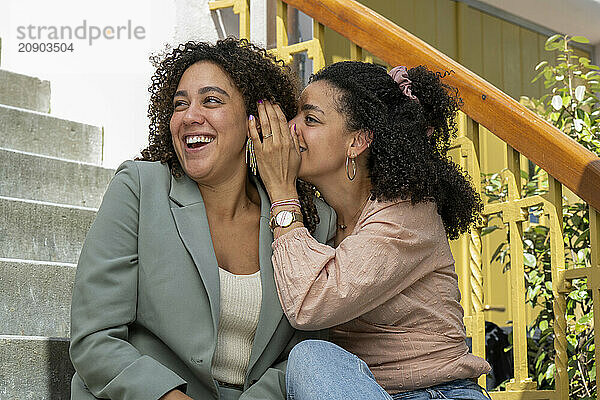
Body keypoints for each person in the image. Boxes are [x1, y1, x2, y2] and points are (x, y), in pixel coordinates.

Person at [69, 38, 336, 400]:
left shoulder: (311, 224)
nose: (190, 116)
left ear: (255, 124)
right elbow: (95, 338)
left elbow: (304, 356)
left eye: (211, 101)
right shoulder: (139, 188)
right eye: (180, 104)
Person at [248, 61, 491, 399]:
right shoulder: (322, 220)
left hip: (438, 393)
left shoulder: (407, 213)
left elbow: (310, 304)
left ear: (358, 141)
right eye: (294, 116)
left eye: (310, 119)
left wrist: (282, 193)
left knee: (310, 357)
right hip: (362, 390)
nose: (291, 129)